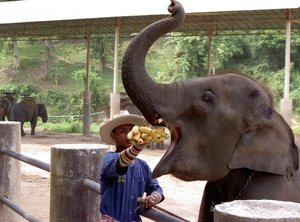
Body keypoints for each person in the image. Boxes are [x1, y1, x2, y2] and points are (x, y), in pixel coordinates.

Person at [99, 110, 165, 222]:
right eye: (123, 131)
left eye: (131, 131)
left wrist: (153, 197)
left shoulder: (143, 166)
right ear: (113, 135)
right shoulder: (109, 158)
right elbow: (121, 163)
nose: (128, 135)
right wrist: (138, 147)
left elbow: (156, 188)